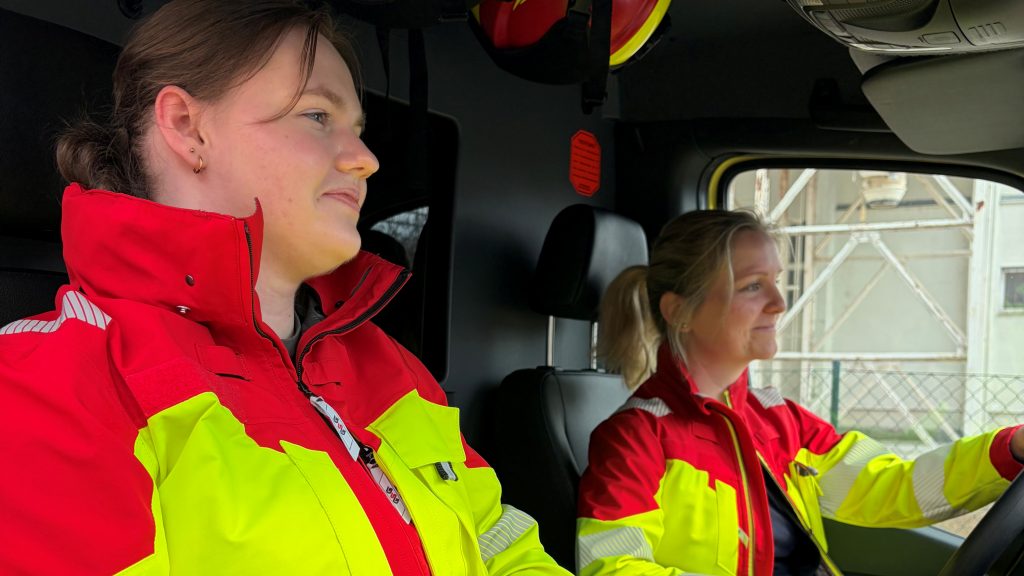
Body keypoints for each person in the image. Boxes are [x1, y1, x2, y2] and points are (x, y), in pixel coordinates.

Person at [0, 1, 567, 574]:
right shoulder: (55, 382)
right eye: (318, 116)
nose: (366, 160)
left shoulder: (392, 368)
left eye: (358, 130)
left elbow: (503, 548)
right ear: (186, 127)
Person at [575, 209, 1024, 575]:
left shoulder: (778, 419)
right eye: (753, 286)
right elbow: (614, 567)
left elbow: (894, 487)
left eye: (776, 279)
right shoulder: (636, 438)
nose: (780, 301)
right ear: (681, 311)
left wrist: (1010, 449)